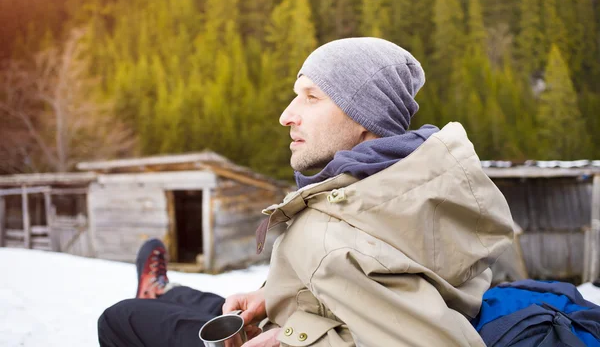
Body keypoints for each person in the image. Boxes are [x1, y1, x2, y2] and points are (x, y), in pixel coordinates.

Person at [98, 37, 514, 347]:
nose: (286, 116)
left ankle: (156, 298)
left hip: (297, 335)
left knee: (122, 319)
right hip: (305, 317)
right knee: (193, 302)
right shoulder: (409, 183)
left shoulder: (342, 229)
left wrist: (289, 338)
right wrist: (269, 295)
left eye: (311, 98)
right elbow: (380, 289)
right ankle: (166, 292)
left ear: (364, 119)